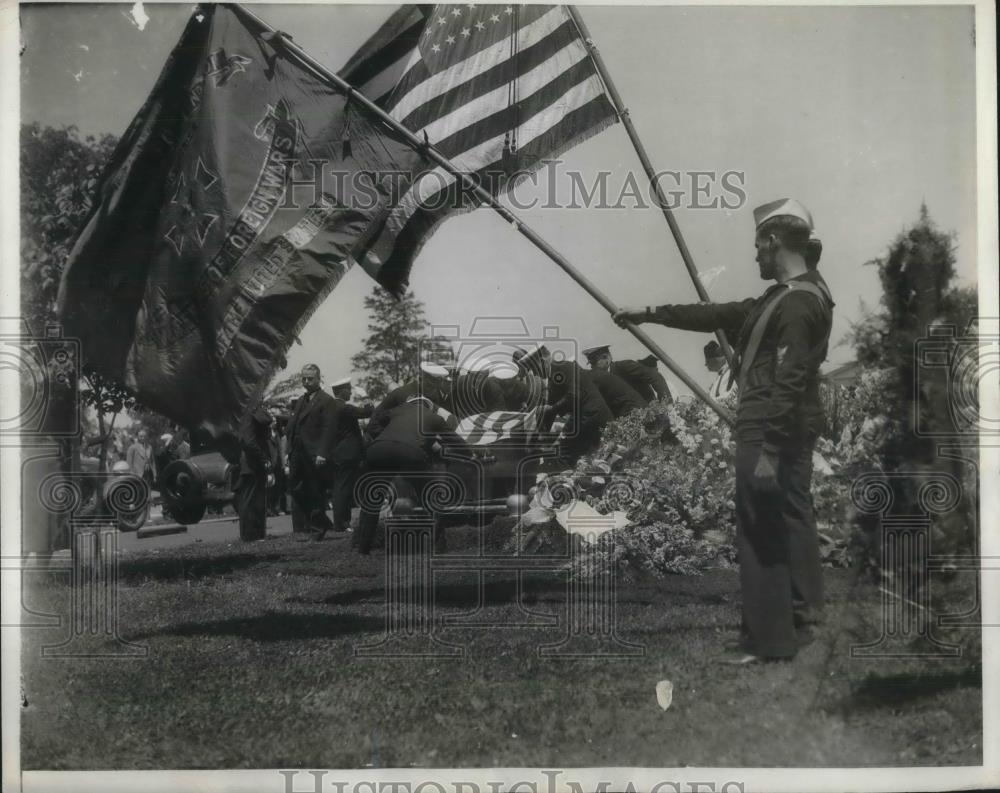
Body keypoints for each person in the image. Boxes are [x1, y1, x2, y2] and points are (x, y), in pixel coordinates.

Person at [614, 197, 834, 663]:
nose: (755, 254)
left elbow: (790, 380)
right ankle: (803, 615)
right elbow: (715, 314)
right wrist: (648, 311)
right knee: (791, 515)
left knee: (759, 525)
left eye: (758, 244)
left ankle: (770, 639)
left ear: (774, 241)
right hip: (786, 424)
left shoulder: (796, 303)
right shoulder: (793, 295)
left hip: (770, 426)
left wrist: (769, 449)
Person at [354, 395, 472, 555]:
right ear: (427, 407)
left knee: (372, 500)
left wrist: (386, 437)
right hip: (410, 453)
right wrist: (470, 453)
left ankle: (362, 550)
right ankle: (437, 547)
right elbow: (456, 441)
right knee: (431, 499)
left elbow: (373, 422)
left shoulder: (397, 410)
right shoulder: (434, 417)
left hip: (378, 450)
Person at [516, 346, 613, 458]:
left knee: (566, 456)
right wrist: (534, 440)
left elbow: (574, 395)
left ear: (542, 362)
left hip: (595, 419)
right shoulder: (553, 379)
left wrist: (551, 409)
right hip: (584, 421)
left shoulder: (566, 367)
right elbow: (549, 413)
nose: (535, 374)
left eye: (533, 368)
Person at [285, 363, 338, 539]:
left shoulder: (326, 400)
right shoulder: (301, 400)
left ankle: (317, 529)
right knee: (296, 489)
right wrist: (288, 451)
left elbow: (329, 430)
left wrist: (323, 453)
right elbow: (292, 427)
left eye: (310, 378)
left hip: (314, 453)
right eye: (304, 378)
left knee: (315, 491)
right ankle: (310, 525)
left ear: (318, 379)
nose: (306, 382)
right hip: (297, 453)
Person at [328, 376, 374, 534]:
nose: (350, 392)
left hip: (338, 452)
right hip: (347, 453)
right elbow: (368, 412)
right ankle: (341, 523)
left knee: (341, 487)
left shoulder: (332, 406)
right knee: (343, 489)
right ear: (342, 391)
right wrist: (365, 396)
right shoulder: (344, 407)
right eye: (348, 389)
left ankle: (341, 522)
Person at [582, 345, 673, 404]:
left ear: (606, 358)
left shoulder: (624, 366)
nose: (592, 367)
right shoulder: (601, 381)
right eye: (590, 364)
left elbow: (655, 376)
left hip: (651, 413)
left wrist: (666, 404)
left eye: (594, 363)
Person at [235, 404, 272, 542]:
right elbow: (250, 441)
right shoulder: (251, 413)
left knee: (253, 499)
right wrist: (263, 458)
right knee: (251, 500)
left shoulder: (245, 413)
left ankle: (253, 534)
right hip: (252, 462)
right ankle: (251, 535)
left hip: (251, 462)